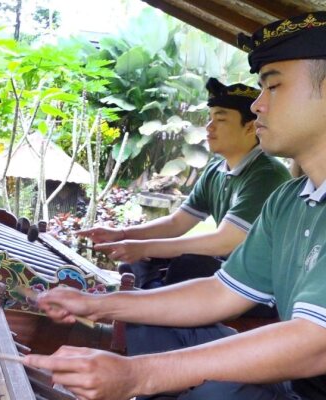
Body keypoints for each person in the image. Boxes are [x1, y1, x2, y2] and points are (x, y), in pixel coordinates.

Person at [23, 12, 326, 400]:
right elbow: (221, 293)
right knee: (146, 323)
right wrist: (100, 304)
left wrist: (140, 374)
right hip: (295, 385)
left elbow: (315, 340)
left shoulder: (270, 181)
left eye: (273, 87)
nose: (257, 106)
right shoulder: (290, 199)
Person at [79, 79, 290, 290]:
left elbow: (224, 241)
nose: (209, 127)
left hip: (259, 284)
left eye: (220, 119)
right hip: (226, 269)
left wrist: (142, 248)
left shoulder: (267, 175)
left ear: (250, 127)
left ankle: (153, 290)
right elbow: (175, 224)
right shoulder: (215, 170)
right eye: (209, 118)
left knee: (187, 266)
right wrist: (124, 235)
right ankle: (154, 288)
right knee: (138, 260)